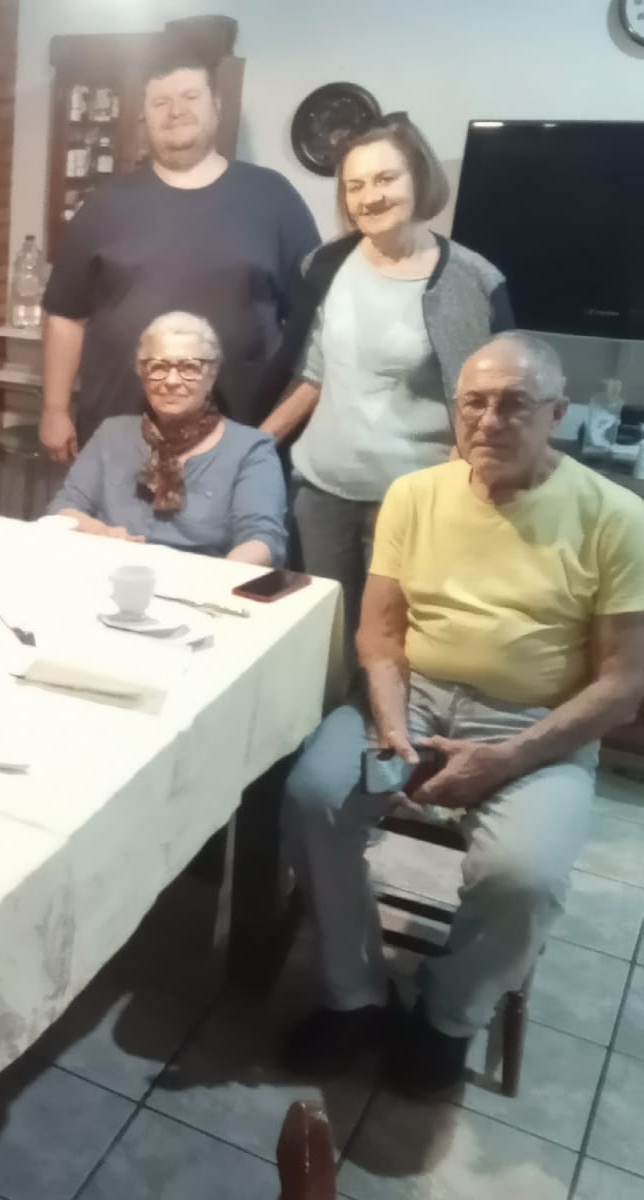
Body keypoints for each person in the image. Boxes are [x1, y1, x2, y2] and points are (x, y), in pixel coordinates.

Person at [280, 334, 644, 1097]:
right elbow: (380, 635)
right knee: (314, 798)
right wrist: (392, 728)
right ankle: (355, 995)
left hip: (536, 726)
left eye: (514, 404)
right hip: (409, 699)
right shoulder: (415, 495)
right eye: (474, 402)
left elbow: (622, 685)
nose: (488, 420)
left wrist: (508, 759)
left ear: (558, 414)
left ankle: (447, 1017)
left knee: (523, 877)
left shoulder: (617, 517)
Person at [259, 115, 514, 632]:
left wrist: (440, 498)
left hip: (409, 504)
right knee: (322, 638)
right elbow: (313, 374)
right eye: (355, 186)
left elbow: (489, 407)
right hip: (319, 495)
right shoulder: (325, 266)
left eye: (385, 179)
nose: (369, 197)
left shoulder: (471, 281)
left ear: (418, 177)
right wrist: (249, 448)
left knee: (388, 641)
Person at [39, 40, 319, 461]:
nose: (175, 111)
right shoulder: (105, 204)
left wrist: (275, 431)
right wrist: (54, 409)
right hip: (120, 439)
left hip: (237, 442)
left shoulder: (273, 199)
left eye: (190, 96)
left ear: (216, 106)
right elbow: (65, 313)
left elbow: (313, 326)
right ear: (143, 116)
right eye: (160, 102)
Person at [48, 312, 287, 566]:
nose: (171, 381)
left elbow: (263, 538)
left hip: (203, 580)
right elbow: (64, 507)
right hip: (115, 572)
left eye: (189, 368)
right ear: (143, 374)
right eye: (158, 367)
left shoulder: (250, 449)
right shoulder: (111, 434)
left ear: (211, 375)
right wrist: (100, 533)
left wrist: (219, 576)